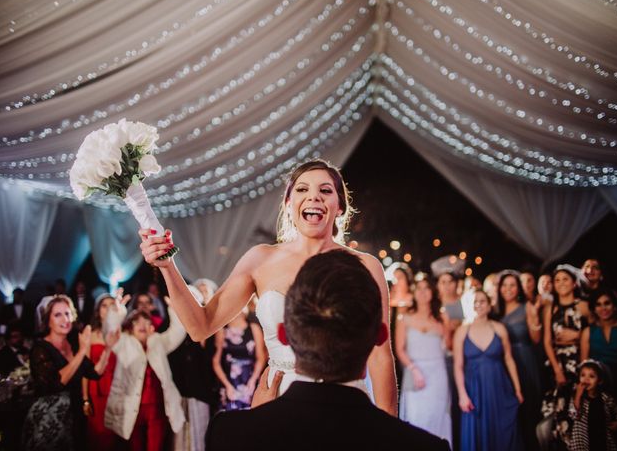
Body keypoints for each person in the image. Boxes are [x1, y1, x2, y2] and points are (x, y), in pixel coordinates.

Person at [138, 159, 398, 415]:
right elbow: (200, 327)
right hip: (279, 402)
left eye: (325, 190)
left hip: (346, 404)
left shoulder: (365, 266)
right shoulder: (260, 260)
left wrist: (388, 431)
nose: (314, 197)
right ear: (288, 204)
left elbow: (380, 355)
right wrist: (168, 267)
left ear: (339, 206)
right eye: (302, 189)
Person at [206, 250, 450, 450]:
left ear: (285, 335)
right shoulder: (425, 447)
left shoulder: (229, 434)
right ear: (380, 336)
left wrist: (259, 420)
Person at [21, 295, 115, 451]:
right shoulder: (40, 349)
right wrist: (83, 351)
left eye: (67, 313)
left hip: (75, 415)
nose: (64, 319)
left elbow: (94, 373)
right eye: (57, 315)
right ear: (47, 320)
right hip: (49, 418)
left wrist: (109, 348)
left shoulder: (73, 343)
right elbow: (56, 383)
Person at [104, 300, 187, 451]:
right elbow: (110, 331)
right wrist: (117, 312)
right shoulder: (123, 342)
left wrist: (174, 308)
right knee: (135, 447)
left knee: (155, 447)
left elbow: (178, 331)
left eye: (146, 321)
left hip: (157, 407)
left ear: (151, 326)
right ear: (131, 326)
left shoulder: (158, 342)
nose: (142, 325)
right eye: (137, 322)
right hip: (131, 407)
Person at [453, 289, 523, 451]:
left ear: (489, 305)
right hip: (474, 389)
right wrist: (462, 395)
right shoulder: (462, 331)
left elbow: (508, 359)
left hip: (499, 387)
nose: (478, 304)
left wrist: (517, 389)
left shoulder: (499, 328)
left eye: (482, 301)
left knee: (502, 432)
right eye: (474, 301)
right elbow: (458, 365)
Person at [395, 273, 452, 444]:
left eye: (427, 288)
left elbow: (447, 346)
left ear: (432, 292)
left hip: (438, 373)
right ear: (413, 292)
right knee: (416, 418)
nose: (423, 292)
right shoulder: (404, 318)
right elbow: (400, 349)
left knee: (438, 416)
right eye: (419, 288)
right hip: (415, 372)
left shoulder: (441, 318)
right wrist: (414, 369)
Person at [539, 265, 590, 449]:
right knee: (556, 417)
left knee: (578, 412)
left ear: (574, 283)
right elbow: (547, 341)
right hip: (557, 364)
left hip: (579, 361)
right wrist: (557, 370)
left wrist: (577, 336)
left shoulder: (583, 306)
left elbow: (592, 332)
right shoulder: (550, 308)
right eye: (557, 280)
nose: (561, 283)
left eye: (565, 279)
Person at [170, 283, 220, 451]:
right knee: (181, 437)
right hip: (180, 392)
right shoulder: (175, 331)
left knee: (200, 436)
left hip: (201, 392)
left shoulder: (206, 328)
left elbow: (209, 360)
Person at [496, 272, 542, 451]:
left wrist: (535, 318)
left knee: (528, 411)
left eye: (512, 285)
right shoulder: (495, 312)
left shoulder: (527, 307)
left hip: (524, 361)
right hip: (503, 365)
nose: (508, 289)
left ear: (519, 288)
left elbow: (536, 339)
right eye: (504, 285)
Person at [580, 289, 617, 427]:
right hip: (598, 392)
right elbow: (583, 368)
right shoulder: (588, 332)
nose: (603, 308)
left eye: (607, 303)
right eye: (598, 304)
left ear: (615, 306)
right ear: (594, 309)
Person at [82, 291, 129, 451]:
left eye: (111, 305)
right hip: (96, 388)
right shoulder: (90, 332)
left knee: (116, 435)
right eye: (104, 305)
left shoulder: (121, 334)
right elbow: (84, 368)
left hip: (117, 387)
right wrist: (85, 398)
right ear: (98, 310)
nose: (108, 308)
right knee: (99, 434)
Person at [432, 254, 465, 450]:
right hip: (437, 357)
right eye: (442, 282)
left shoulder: (464, 302)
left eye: (449, 282)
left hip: (457, 358)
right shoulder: (434, 306)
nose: (446, 286)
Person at [213, 304, 267, 410]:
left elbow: (261, 358)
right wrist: (227, 385)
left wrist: (253, 380)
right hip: (229, 381)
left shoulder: (254, 328)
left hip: (250, 379)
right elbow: (216, 362)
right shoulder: (222, 330)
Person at [568, 360, 617, 451]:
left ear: (599, 381)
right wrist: (578, 395)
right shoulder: (576, 397)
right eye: (583, 375)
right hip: (583, 440)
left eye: (592, 376)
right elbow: (573, 415)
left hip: (602, 437)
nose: (586, 379)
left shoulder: (605, 397)